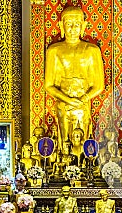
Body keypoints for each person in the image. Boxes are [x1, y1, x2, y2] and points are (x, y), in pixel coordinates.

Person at [45, 6, 104, 144]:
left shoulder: (91, 50)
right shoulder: (54, 51)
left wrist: (84, 98)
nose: (72, 29)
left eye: (77, 24)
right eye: (68, 24)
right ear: (61, 25)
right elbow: (48, 85)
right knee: (64, 142)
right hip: (63, 104)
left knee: (83, 140)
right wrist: (68, 100)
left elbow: (99, 85)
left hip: (83, 104)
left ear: (83, 26)